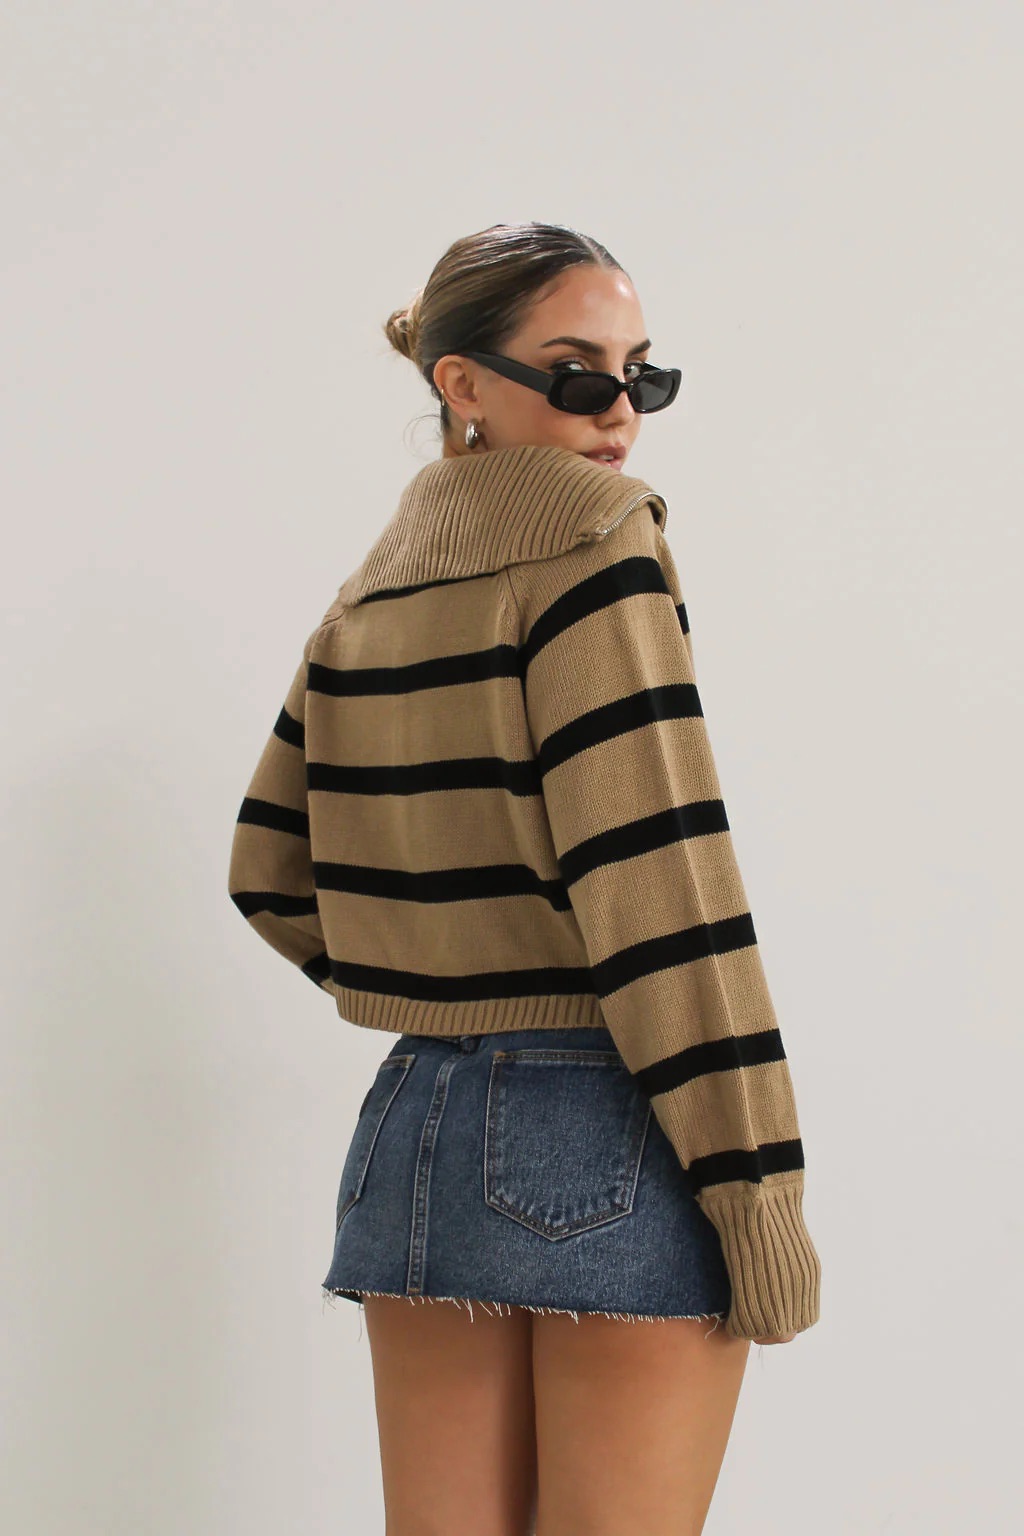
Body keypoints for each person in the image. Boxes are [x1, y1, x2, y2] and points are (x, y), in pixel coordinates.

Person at [228, 220, 822, 1535]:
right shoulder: (598, 544)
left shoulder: (372, 591)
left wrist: (440, 968)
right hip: (608, 1123)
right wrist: (758, 1196)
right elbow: (662, 893)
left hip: (411, 1132)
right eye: (576, 371)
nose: (619, 410)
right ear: (463, 382)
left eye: (642, 374)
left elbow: (268, 870)